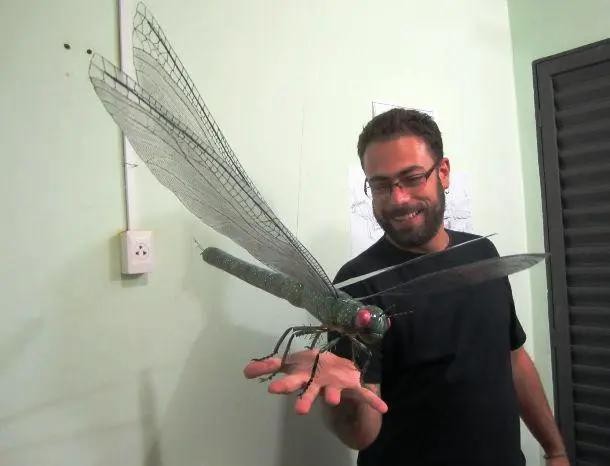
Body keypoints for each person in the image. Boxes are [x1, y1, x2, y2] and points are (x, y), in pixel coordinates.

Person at [244, 109, 569, 466]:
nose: (398, 199)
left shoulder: (483, 254)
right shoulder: (357, 285)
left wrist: (555, 450)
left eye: (412, 178)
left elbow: (514, 358)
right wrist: (347, 397)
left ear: (443, 172)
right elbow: (360, 435)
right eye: (380, 185)